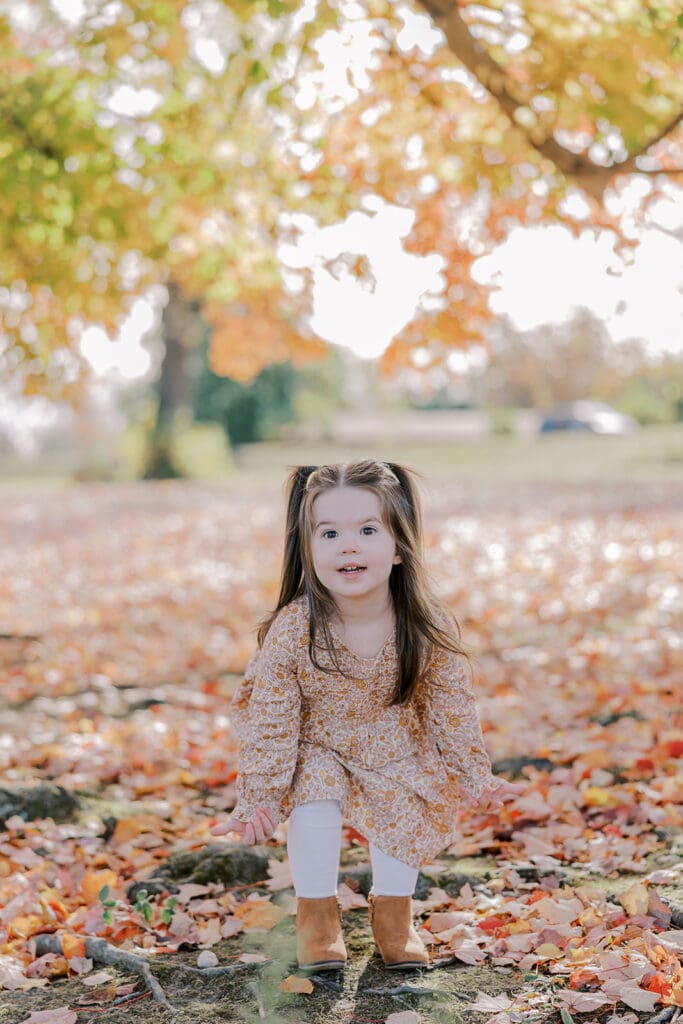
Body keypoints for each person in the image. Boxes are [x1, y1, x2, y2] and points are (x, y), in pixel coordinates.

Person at [211, 459, 521, 972]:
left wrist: (476, 778)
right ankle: (317, 918)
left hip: (395, 742)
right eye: (328, 533)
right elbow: (271, 722)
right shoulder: (296, 630)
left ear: (398, 548)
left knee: (403, 802)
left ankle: (394, 917)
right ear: (308, 552)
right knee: (314, 798)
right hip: (315, 743)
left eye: (367, 530)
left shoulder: (423, 626)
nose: (347, 545)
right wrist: (259, 797)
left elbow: (452, 708)